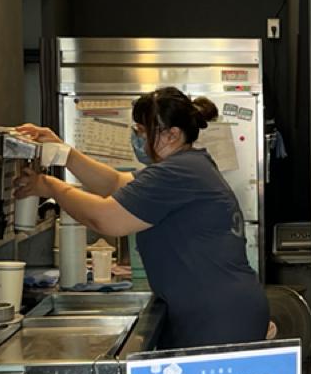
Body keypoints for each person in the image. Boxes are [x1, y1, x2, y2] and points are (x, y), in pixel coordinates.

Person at [14, 88, 269, 349]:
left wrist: (51, 186)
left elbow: (106, 219)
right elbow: (115, 183)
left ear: (172, 135)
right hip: (220, 308)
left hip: (217, 316)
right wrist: (64, 154)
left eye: (142, 131)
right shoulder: (189, 165)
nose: (137, 139)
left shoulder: (178, 171)